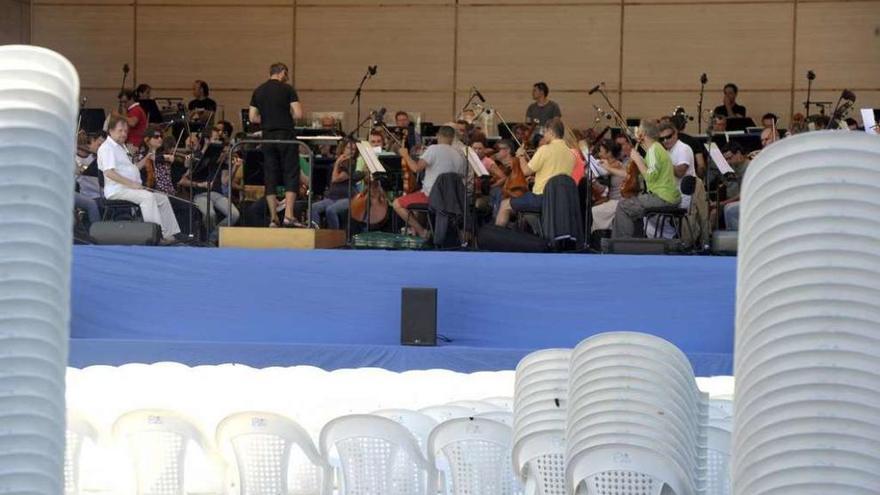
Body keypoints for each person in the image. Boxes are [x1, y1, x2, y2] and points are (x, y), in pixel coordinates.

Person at [98, 115, 181, 242]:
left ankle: (169, 234)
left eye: (125, 131)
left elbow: (134, 167)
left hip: (129, 188)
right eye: (120, 130)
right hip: (117, 190)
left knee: (162, 198)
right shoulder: (107, 148)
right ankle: (156, 236)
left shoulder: (121, 147)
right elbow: (109, 173)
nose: (124, 134)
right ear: (110, 130)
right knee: (147, 197)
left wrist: (147, 156)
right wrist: (131, 184)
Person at [249, 62, 304, 227]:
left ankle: (273, 218)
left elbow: (252, 118)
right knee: (291, 173)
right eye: (286, 74)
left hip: (267, 137)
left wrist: (267, 120)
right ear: (281, 72)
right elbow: (299, 114)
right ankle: (288, 215)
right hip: (286, 135)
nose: (287, 77)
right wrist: (283, 117)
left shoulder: (258, 90)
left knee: (270, 176)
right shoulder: (288, 89)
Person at [495, 118, 574, 227]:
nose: (543, 135)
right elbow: (556, 174)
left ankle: (496, 239)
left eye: (544, 132)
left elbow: (526, 171)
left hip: (542, 198)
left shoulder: (545, 149)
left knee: (504, 205)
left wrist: (521, 156)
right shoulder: (570, 153)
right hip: (560, 199)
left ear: (551, 131)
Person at [611, 120, 680, 238]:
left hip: (662, 197)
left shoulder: (653, 150)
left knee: (623, 206)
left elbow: (650, 176)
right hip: (668, 196)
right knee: (630, 205)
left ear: (643, 133)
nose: (637, 133)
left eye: (639, 131)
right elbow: (651, 172)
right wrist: (640, 161)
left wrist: (637, 159)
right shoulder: (657, 148)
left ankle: (622, 244)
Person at [395, 125, 467, 238]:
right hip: (452, 199)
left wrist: (405, 155)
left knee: (397, 204)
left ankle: (422, 232)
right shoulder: (459, 155)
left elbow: (416, 168)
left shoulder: (433, 149)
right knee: (418, 204)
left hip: (432, 196)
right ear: (453, 138)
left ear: (438, 135)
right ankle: (420, 230)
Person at [311, 141, 359, 230]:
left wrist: (337, 163)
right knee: (313, 207)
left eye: (354, 149)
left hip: (347, 198)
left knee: (331, 210)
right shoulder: (340, 162)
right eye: (349, 148)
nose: (351, 151)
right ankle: (316, 232)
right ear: (343, 149)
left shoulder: (352, 164)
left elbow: (335, 179)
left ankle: (334, 235)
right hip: (332, 197)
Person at [590, 139, 627, 232]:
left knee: (594, 211)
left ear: (609, 153)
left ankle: (597, 236)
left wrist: (593, 178)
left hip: (618, 202)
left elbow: (602, 183)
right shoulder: (610, 164)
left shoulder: (615, 165)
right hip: (612, 199)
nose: (599, 154)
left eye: (601, 152)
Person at [719, 142, 750, 230]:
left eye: (730, 158)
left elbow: (743, 195)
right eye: (726, 160)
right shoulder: (735, 166)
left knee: (729, 210)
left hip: (748, 201)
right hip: (737, 200)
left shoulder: (749, 167)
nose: (728, 162)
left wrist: (723, 203)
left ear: (739, 153)